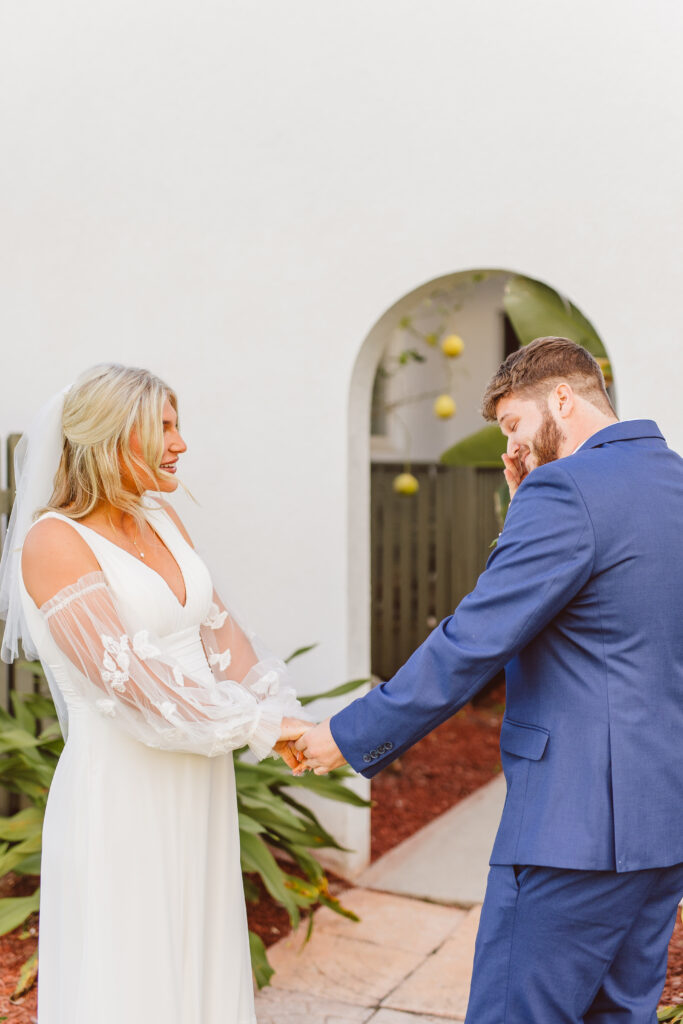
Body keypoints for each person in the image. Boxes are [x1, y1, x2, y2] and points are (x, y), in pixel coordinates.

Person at [295, 337, 683, 1022]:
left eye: (512, 425)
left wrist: (345, 735)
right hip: (662, 825)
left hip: (573, 828)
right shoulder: (670, 480)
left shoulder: (565, 489)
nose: (512, 446)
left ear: (561, 397)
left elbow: (474, 639)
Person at [0, 363, 311, 1024]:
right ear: (112, 438)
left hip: (199, 775)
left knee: (197, 955)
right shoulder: (52, 541)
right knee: (133, 970)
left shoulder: (161, 516)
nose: (181, 443)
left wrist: (288, 716)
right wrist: (260, 728)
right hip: (123, 790)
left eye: (178, 424)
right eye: (163, 427)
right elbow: (135, 688)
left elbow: (220, 637)